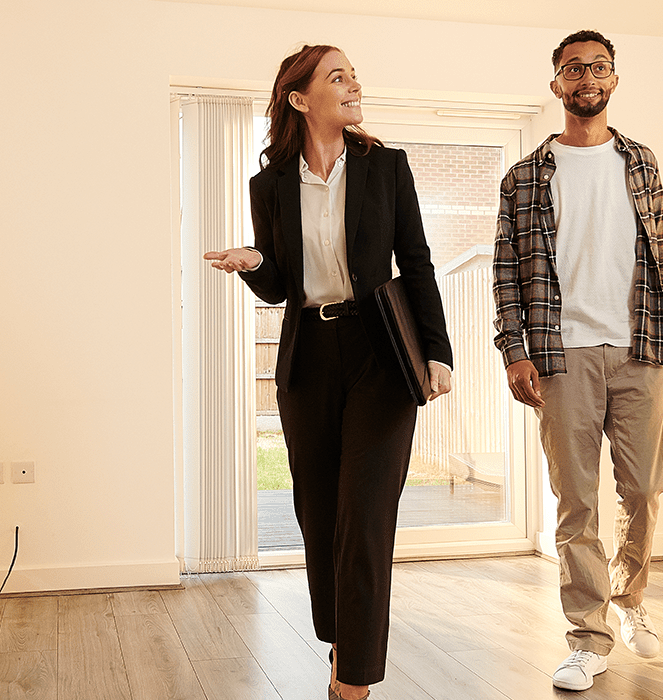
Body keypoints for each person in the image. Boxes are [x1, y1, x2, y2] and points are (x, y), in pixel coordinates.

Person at [202, 44, 452, 700]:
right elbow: (282, 285)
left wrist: (437, 351)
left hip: (380, 354)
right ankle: (347, 629)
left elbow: (416, 261)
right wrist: (255, 261)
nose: (354, 83)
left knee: (366, 515)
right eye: (337, 75)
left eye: (353, 73)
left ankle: (353, 680)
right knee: (318, 514)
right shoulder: (271, 185)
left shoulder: (386, 167)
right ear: (299, 98)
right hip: (307, 359)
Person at [492, 30, 663, 692]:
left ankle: (629, 601)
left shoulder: (642, 163)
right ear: (557, 85)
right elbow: (506, 274)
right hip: (560, 355)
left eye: (599, 67)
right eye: (574, 69)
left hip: (638, 353)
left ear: (615, 80)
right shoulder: (525, 177)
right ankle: (589, 637)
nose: (587, 77)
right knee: (577, 503)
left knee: (646, 491)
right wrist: (515, 351)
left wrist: (657, 340)